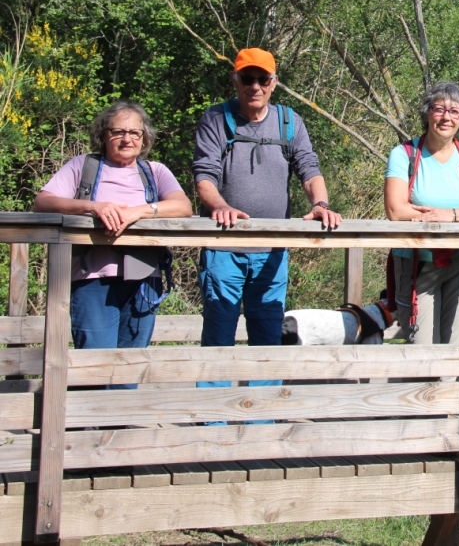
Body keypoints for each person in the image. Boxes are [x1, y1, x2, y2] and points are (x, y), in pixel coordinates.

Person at [192, 48, 341, 396]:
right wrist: (220, 206)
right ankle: (212, 414)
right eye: (248, 78)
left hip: (273, 251)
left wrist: (320, 205)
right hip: (223, 248)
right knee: (218, 334)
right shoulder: (216, 119)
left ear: (274, 82)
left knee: (268, 335)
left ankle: (263, 414)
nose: (255, 86)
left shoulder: (289, 122)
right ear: (235, 80)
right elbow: (204, 175)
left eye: (262, 79)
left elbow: (309, 169)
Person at [33, 100, 193, 367]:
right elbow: (43, 202)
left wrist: (138, 212)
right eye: (118, 131)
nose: (127, 139)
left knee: (131, 365)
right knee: (94, 364)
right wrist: (93, 207)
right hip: (92, 279)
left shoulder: (154, 171)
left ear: (144, 138)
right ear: (103, 135)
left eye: (134, 133)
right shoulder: (82, 166)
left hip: (144, 277)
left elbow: (183, 207)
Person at [384, 81, 459, 345]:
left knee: (457, 346)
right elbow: (395, 210)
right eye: (439, 109)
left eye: (454, 111)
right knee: (422, 347)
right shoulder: (404, 155)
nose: (446, 117)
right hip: (416, 264)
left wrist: (450, 215)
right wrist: (456, 214)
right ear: (427, 113)